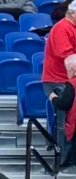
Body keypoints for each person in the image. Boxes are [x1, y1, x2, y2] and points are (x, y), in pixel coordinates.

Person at [42, 2, 75, 153]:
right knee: (64, 121)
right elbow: (67, 56)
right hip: (58, 79)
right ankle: (62, 159)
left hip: (68, 80)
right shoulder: (62, 28)